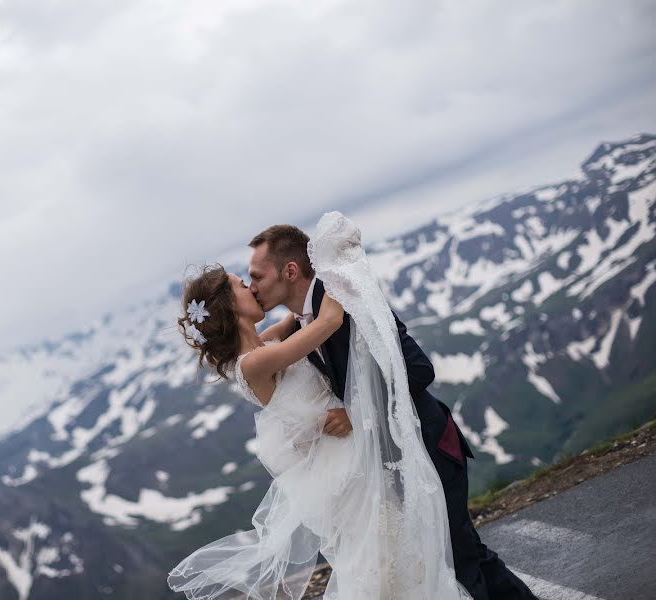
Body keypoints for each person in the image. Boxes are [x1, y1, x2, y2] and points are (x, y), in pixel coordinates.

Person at [167, 212, 472, 599]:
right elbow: (325, 322)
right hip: (346, 470)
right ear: (231, 306)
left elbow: (298, 320)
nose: (250, 286)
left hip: (351, 457)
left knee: (394, 562)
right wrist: (336, 263)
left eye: (252, 278)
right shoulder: (255, 361)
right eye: (242, 284)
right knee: (383, 564)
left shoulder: (260, 346)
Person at [245, 215, 536, 600]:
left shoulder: (344, 299)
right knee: (462, 558)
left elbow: (418, 369)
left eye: (257, 276)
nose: (251, 287)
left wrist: (355, 413)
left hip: (430, 446)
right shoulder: (303, 323)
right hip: (393, 464)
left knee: (458, 561)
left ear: (291, 270)